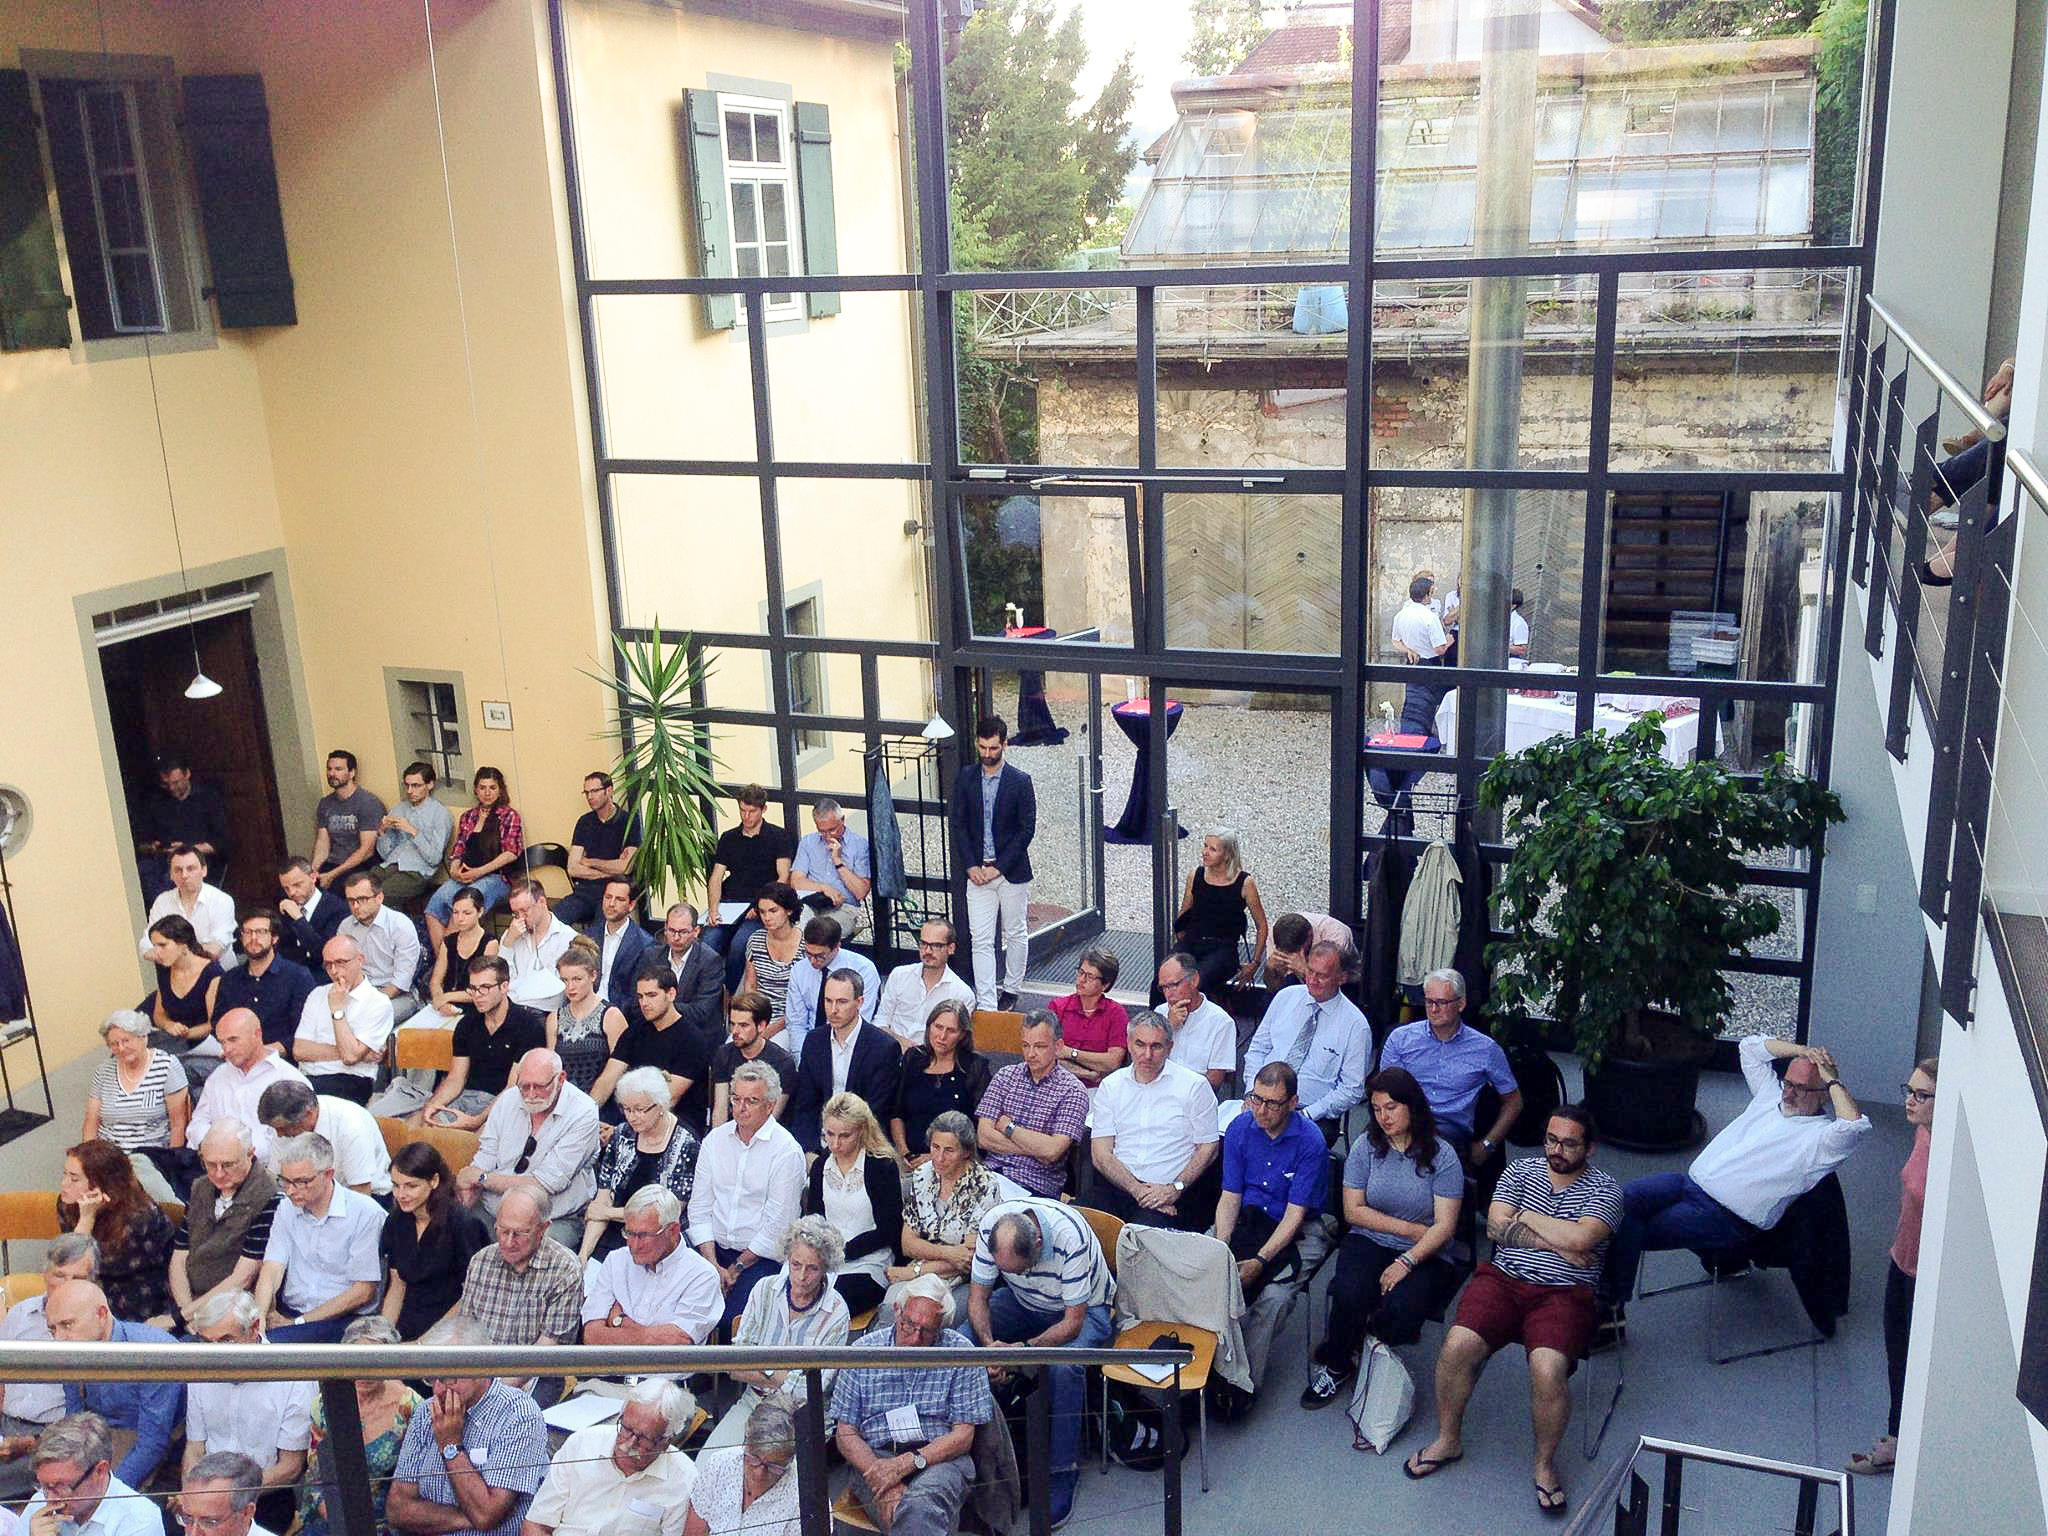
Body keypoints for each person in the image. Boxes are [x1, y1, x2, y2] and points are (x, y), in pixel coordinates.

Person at [1404, 1106, 1623, 1517]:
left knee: (1547, 1369)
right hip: (1503, 1279)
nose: (1556, 1150)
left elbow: (1584, 1238)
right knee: (1457, 1345)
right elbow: (1495, 1228)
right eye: (1551, 1139)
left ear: (1589, 1148)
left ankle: (1544, 1464)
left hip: (1565, 1292)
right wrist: (1559, 1242)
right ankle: (1448, 1439)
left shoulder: (1606, 1190)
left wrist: (1524, 1219)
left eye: (1569, 1143)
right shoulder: (1522, 1171)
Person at [1602, 1035, 1872, 1319]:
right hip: (1687, 1184)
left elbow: (1853, 1127)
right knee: (1615, 1201)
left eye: (1801, 1088)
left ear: (1824, 1094)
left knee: (1623, 1226)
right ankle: (1598, 1295)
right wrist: (1804, 1051)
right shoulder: (1770, 1096)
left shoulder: (1821, 1140)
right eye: (1788, 1083)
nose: (1789, 1093)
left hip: (1725, 1218)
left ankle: (1608, 1309)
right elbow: (1750, 1049)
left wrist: (1832, 1078)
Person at [1302, 1066, 1464, 1408]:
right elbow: (1354, 1212)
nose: (1383, 1117)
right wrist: (1409, 1228)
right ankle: (1337, 1364)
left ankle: (1356, 1343)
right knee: (1349, 1293)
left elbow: (1445, 1228)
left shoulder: (1443, 1155)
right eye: (1376, 1109)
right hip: (1371, 1238)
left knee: (1403, 1311)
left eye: (1391, 1107)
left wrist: (1406, 1260)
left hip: (1425, 1252)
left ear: (1412, 1106)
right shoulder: (1366, 1146)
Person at [966, 1201, 1113, 1528]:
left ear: (1037, 1244)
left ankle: (1063, 1471)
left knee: (1063, 1367)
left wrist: (1018, 1352)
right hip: (1023, 1304)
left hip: (1084, 1311)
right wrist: (990, 1348)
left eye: (1018, 1269)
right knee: (962, 1342)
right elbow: (979, 1297)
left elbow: (1073, 1323)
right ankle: (966, 1450)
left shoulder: (1069, 1237)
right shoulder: (993, 1223)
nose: (1014, 1274)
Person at [834, 1275, 996, 1536]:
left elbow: (963, 1437)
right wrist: (884, 1476)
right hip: (876, 1457)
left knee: (918, 1507)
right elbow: (845, 1433)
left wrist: (907, 1464)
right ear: (898, 1311)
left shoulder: (961, 1353)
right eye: (909, 1325)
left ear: (941, 1328)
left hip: (940, 1458)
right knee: (904, 1509)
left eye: (927, 1331)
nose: (915, 1338)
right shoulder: (862, 1351)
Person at [1852, 1056, 1938, 1477]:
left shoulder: (1944, 1149)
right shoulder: (1922, 1133)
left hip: (1924, 1273)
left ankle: (1903, 1443)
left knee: (1911, 1358)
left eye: (1922, 1095)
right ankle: (1897, 1434)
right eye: (1909, 1090)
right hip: (1900, 1259)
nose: (1910, 1101)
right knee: (1896, 1355)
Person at [385, 1316, 549, 1536]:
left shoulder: (518, 1414)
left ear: (482, 1366)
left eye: (449, 1378)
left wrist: (451, 1446)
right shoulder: (426, 1411)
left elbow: (486, 1514)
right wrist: (464, 1517)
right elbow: (398, 1509)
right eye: (432, 1378)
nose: (439, 1390)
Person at [712, 1215, 850, 1448]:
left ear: (826, 1268)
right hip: (752, 1402)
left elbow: (810, 1391)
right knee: (708, 1465)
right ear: (787, 1258)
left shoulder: (837, 1312)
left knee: (773, 1476)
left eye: (813, 1268)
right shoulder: (764, 1288)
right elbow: (735, 1367)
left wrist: (761, 1366)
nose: (802, 1276)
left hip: (802, 1417)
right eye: (796, 1264)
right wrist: (785, 1374)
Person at [183, 1291, 314, 1533]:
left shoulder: (294, 1376)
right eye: (207, 1343)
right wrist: (191, 1495)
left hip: (264, 1497)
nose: (216, 1355)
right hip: (204, 1497)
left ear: (254, 1328)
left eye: (226, 1341)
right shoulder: (201, 1367)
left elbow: (291, 1467)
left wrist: (225, 1495)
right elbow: (194, 1448)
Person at [689, 1060, 806, 1324]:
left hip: (760, 1259)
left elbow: (778, 1225)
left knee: (735, 1320)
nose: (741, 1108)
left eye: (751, 1101)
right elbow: (699, 1208)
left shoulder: (786, 1151)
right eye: (736, 1099)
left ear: (770, 1105)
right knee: (687, 1311)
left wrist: (737, 1267)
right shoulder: (714, 1141)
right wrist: (711, 1262)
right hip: (711, 1250)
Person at [1087, 1013, 1223, 1231]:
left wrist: (1174, 1189)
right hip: (1118, 1186)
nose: (1147, 1055)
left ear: (1170, 1047)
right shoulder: (1111, 1086)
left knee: (1142, 1242)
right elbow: (1101, 1154)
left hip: (1171, 1194)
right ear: (1129, 1043)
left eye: (1156, 1046)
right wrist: (1137, 1190)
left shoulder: (1195, 1086)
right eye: (1140, 1044)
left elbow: (1209, 1149)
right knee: (1075, 1224)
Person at [378, 955, 547, 1127]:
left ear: (504, 987)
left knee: (479, 1139)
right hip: (465, 1096)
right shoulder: (467, 1024)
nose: (478, 995)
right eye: (473, 988)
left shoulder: (528, 1027)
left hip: (505, 1105)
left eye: (485, 988)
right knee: (420, 1124)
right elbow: (456, 1078)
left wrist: (477, 1121)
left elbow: (513, 1088)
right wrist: (433, 1107)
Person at [1377, 967, 1523, 1163]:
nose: (1434, 1009)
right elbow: (1385, 1094)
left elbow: (1513, 1101)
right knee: (1367, 1148)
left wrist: (1487, 1145)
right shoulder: (1401, 1039)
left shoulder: (1485, 1049)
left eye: (1442, 1002)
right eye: (1429, 1002)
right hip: (1404, 1121)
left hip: (1449, 1130)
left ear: (1461, 1004)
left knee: (1425, 1157)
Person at [44, 1283, 181, 1488]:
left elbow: (152, 1444)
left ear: (101, 1314)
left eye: (67, 1325)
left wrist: (107, 1492)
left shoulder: (153, 1350)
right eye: (53, 1329)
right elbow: (74, 1421)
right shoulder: (70, 1351)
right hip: (100, 1444)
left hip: (158, 1450)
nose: (58, 1338)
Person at [459, 1049, 602, 1244]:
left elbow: (544, 1185)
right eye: (525, 1087)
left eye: (539, 1086)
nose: (531, 1094)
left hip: (550, 1218)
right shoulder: (508, 1099)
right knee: (453, 1230)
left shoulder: (583, 1112)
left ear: (561, 1079)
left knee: (534, 1257)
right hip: (494, 1209)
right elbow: (486, 1154)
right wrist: (470, 1188)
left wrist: (481, 1178)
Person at [1213, 1061, 1328, 1304]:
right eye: (1257, 1099)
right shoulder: (1239, 1128)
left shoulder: (1311, 1141)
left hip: (1298, 1224)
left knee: (1274, 1298)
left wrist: (1260, 1260)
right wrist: (1222, 1246)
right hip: (1249, 1213)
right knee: (1206, 1271)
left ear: (1293, 1103)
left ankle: (1247, 1343)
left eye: (1272, 1103)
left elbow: (1294, 1215)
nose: (1261, 1111)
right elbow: (1230, 1196)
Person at [295, 1316, 421, 1536]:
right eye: (356, 1361)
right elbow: (317, 1475)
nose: (364, 1372)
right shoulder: (325, 1403)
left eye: (374, 1363)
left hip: (385, 1522)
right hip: (330, 1516)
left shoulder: (411, 1407)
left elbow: (414, 1485)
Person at [254, 1132, 384, 1341]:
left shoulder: (365, 1213)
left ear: (328, 1174)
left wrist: (300, 1322)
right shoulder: (286, 1208)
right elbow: (271, 1270)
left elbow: (363, 1291)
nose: (290, 1190)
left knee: (273, 1349)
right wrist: (258, 1321)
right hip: (290, 1312)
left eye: (301, 1182)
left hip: (340, 1319)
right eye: (285, 1181)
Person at [524, 1379, 695, 1536]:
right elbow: (537, 1524)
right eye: (626, 1429)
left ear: (666, 1442)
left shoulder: (683, 1478)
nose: (628, 1444)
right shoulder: (582, 1444)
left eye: (644, 1438)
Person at [0, 1239, 98, 1502]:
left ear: (93, 1283)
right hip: (6, 1427)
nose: (67, 1285)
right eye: (59, 1275)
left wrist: (33, 1442)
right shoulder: (19, 1313)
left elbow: (89, 1420)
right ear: (44, 1275)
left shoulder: (94, 1327)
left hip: (55, 1438)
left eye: (78, 1278)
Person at [1243, 941, 1371, 1139]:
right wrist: (1252, 1092)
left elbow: (1351, 1089)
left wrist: (1308, 1113)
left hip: (1310, 1111)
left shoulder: (1355, 1025)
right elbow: (1257, 1049)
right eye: (1310, 971)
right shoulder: (1285, 997)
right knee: (1230, 1137)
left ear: (1341, 978)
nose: (1312, 980)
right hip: (1262, 1098)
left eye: (1322, 975)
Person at [949, 716, 1036, 1010]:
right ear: (977, 743)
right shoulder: (965, 777)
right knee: (981, 938)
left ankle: (1011, 989)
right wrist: (972, 866)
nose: (987, 754)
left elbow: (1027, 830)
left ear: (1005, 745)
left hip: (1010, 872)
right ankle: (987, 1002)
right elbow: (958, 823)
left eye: (994, 748)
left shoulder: (1021, 781)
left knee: (1015, 932)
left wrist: (997, 867)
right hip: (977, 872)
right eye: (983, 747)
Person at [161, 1120, 278, 1333]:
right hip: (188, 1304)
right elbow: (179, 1257)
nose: (218, 1173)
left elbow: (243, 1277)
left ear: (250, 1154)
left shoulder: (269, 1195)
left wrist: (181, 1318)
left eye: (228, 1165)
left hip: (232, 1310)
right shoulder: (200, 1187)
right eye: (210, 1164)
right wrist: (186, 1314)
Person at [458, 1188, 584, 1374]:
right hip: (481, 1373)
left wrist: (495, 1394)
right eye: (503, 1231)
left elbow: (547, 1348)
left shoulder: (565, 1270)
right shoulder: (481, 1261)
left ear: (543, 1228)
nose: (508, 1242)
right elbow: (465, 1330)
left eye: (520, 1233)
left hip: (538, 1373)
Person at [582, 1067, 700, 1263]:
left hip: (658, 1240)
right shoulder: (621, 1135)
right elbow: (601, 1203)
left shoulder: (686, 1144)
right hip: (614, 1234)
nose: (632, 1116)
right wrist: (584, 1255)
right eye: (626, 1109)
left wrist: (607, 1213)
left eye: (640, 1109)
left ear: (661, 1105)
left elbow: (669, 1211)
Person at [888, 1111, 999, 1316]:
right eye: (935, 1147)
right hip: (927, 1268)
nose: (939, 1158)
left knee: (937, 1315)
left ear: (966, 1152)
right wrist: (949, 1253)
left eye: (949, 1150)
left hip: (962, 1280)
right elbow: (908, 1244)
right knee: (891, 1307)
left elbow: (966, 1260)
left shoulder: (984, 1185)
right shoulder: (922, 1174)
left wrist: (913, 1271)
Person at [580, 1185, 723, 1345]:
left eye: (643, 1235)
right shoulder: (616, 1261)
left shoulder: (702, 1275)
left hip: (666, 1371)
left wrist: (621, 1322)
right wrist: (650, 1335)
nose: (633, 1245)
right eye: (629, 1233)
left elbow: (676, 1342)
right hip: (609, 1369)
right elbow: (592, 1336)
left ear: (673, 1231)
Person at [803, 1093, 904, 1315]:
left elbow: (889, 1230)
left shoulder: (881, 1166)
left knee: (830, 1302)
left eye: (844, 1136)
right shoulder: (821, 1166)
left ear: (861, 1131)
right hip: (825, 1259)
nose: (835, 1143)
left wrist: (842, 1252)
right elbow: (815, 1218)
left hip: (868, 1262)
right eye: (830, 1134)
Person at [381, 1141, 490, 1341]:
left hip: (451, 1327)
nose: (401, 1194)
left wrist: (422, 1344)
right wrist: (383, 1336)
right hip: (407, 1321)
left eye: (411, 1186)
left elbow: (469, 1297)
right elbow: (397, 1285)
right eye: (396, 1186)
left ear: (434, 1181)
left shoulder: (463, 1224)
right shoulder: (397, 1220)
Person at [975, 1011, 1089, 1198]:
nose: (1030, 1054)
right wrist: (1035, 1148)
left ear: (1058, 1046)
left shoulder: (1073, 1090)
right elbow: (984, 1137)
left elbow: (1052, 1151)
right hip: (990, 1176)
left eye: (1040, 1046)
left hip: (1036, 1186)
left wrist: (1009, 1128)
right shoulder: (1005, 1076)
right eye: (1026, 1045)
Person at [57, 1143, 174, 1323]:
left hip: (139, 1301)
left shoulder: (140, 1217)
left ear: (101, 1184)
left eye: (74, 1179)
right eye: (65, 1174)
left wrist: (87, 1219)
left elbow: (79, 1268)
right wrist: (86, 1217)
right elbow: (67, 1268)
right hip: (93, 1291)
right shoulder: (68, 1204)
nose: (64, 1184)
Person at [81, 1010, 189, 1202]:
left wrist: (172, 1163)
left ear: (143, 1038)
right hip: (110, 1155)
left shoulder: (166, 1066)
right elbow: (91, 1121)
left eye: (126, 1041)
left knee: (133, 1182)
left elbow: (178, 1123)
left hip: (148, 1154)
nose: (121, 1048)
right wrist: (87, 1160)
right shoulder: (103, 1071)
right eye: (114, 1044)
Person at [590, 966, 711, 1134]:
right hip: (631, 1116)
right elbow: (607, 1080)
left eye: (652, 995)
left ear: (671, 994)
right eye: (640, 996)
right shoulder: (635, 1030)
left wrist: (620, 1132)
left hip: (676, 1125)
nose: (644, 1003)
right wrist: (586, 1117)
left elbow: (668, 1098)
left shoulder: (692, 1040)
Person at [791, 970, 902, 1152]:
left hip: (862, 1144)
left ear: (859, 1002)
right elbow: (805, 1104)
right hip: (820, 1141)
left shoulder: (883, 1047)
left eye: (842, 1002)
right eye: (828, 1001)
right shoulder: (814, 1041)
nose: (833, 1010)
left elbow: (875, 1112)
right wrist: (809, 1151)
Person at [702, 785, 796, 991]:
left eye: (752, 811)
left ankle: (728, 992)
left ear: (763, 809)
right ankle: (707, 991)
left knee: (739, 945)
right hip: (730, 904)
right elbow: (716, 877)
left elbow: (782, 877)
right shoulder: (729, 838)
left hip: (759, 907)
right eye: (742, 810)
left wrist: (760, 907)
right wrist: (713, 908)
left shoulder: (778, 836)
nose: (746, 816)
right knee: (707, 942)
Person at [423, 767, 524, 950]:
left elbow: (511, 853)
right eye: (482, 787)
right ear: (476, 790)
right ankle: (444, 962)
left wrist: (479, 872)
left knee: (463, 906)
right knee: (434, 905)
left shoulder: (509, 816)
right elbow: (460, 846)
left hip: (497, 878)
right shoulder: (468, 816)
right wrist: (454, 866)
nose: (487, 793)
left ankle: (448, 962)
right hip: (466, 873)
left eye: (492, 788)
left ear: (500, 789)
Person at [188, 1010, 309, 1160]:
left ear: (257, 1034)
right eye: (222, 1042)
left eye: (233, 1040)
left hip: (267, 1172)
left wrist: (239, 1154)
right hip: (214, 1165)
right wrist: (213, 1147)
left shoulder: (289, 1079)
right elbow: (198, 1123)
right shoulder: (218, 1076)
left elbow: (299, 1142)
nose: (227, 1049)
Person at [292, 934, 396, 1107]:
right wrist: (358, 1054)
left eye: (341, 962)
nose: (334, 971)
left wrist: (337, 1010)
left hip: (350, 1080)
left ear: (360, 960)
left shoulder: (378, 1002)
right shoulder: (317, 994)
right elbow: (299, 1050)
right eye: (328, 964)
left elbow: (349, 1057)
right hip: (307, 1078)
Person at [20, 1413, 163, 1536]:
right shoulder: (38, 1503)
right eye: (44, 1486)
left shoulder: (141, 1519)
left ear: (100, 1471)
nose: (50, 1499)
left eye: (61, 1486)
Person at [255, 1077, 394, 1197]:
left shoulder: (351, 1125)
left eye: (283, 1128)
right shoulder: (285, 1127)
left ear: (308, 1114)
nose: (279, 1134)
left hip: (363, 1196)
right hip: (308, 1197)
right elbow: (275, 1180)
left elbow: (361, 1191)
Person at [889, 1001, 992, 1161]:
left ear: (963, 1034)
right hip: (908, 1157)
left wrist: (933, 1157)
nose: (942, 1036)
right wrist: (905, 1153)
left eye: (951, 1031)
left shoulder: (975, 1067)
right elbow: (896, 1112)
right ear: (929, 1026)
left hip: (954, 1161)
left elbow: (980, 1128)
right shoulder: (914, 1057)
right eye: (938, 1027)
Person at [1170, 829, 1270, 994]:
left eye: (1212, 849)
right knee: (1162, 981)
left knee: (1194, 985)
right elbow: (1185, 912)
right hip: (1192, 942)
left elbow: (1262, 926)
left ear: (1227, 854)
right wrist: (1180, 938)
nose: (1205, 852)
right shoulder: (1196, 875)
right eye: (1205, 846)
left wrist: (1254, 963)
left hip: (1223, 948)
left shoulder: (1245, 882)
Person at [684, 1398, 801, 1536]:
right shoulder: (720, 1463)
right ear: (746, 1441)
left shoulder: (804, 1498)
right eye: (754, 1458)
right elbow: (695, 1529)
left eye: (773, 1466)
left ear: (790, 1459)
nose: (759, 1473)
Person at [212, 910, 317, 1055]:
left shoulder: (298, 976)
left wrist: (263, 1052)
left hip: (282, 1061)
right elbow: (218, 1023)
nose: (253, 938)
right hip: (236, 1059)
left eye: (261, 932)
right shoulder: (229, 979)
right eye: (247, 932)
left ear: (274, 938)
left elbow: (305, 1030)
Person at [779, 914, 881, 1062]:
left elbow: (859, 1020)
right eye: (809, 954)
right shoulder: (800, 970)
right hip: (810, 1040)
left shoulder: (863, 969)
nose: (813, 961)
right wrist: (803, 1057)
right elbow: (796, 1023)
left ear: (837, 947)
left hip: (848, 1042)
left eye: (820, 956)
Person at [134, 752, 230, 901]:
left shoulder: (207, 799)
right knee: (143, 870)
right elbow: (143, 842)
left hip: (199, 860)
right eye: (167, 784)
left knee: (172, 878)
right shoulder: (158, 803)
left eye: (176, 782)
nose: (172, 788)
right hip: (164, 859)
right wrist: (154, 847)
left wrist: (186, 849)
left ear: (187, 774)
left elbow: (220, 843)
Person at [555, 771, 643, 928]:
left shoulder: (629, 821)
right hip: (584, 892)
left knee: (600, 933)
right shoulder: (584, 822)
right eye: (586, 792)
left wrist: (589, 861)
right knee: (553, 922)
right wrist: (611, 869)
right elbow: (573, 868)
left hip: (612, 893)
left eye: (594, 791)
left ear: (609, 791)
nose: (589, 797)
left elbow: (625, 867)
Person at [339, 869, 424, 1023]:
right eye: (351, 901)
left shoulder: (400, 925)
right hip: (359, 992)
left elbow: (401, 982)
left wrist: (369, 1002)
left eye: (362, 899)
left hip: (398, 995)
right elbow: (342, 968)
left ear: (379, 897)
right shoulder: (345, 927)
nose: (355, 906)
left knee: (369, 1019)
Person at [874, 921, 975, 1049]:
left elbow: (955, 1041)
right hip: (892, 1052)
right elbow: (881, 1021)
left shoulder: (962, 993)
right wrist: (899, 1042)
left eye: (936, 945)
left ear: (951, 948)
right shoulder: (899, 975)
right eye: (923, 944)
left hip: (931, 1060)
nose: (927, 951)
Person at [145, 914, 223, 1075]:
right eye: (154, 946)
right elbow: (159, 1014)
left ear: (183, 944)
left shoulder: (212, 973)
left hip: (204, 1047)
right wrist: (169, 1025)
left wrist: (185, 1034)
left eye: (162, 945)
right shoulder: (165, 971)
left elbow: (214, 1023)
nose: (157, 952)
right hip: (175, 1043)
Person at [550, 939, 628, 1095]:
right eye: (565, 980)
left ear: (593, 976)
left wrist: (590, 1106)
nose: (570, 987)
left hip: (604, 1101)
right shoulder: (554, 1018)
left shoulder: (611, 1016)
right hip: (563, 1100)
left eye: (577, 979)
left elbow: (618, 1068)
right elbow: (551, 1067)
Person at [374, 761, 455, 910]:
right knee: (359, 886)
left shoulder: (440, 814)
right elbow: (386, 854)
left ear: (430, 785)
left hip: (417, 871)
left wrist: (413, 831)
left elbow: (434, 859)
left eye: (416, 786)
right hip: (390, 864)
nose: (410, 791)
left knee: (379, 896)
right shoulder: (399, 808)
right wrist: (382, 832)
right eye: (407, 785)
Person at [710, 992, 798, 1130]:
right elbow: (720, 1109)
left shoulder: (783, 1062)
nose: (735, 1031)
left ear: (761, 1026)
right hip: (731, 1130)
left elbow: (773, 1117)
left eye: (743, 1025)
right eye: (733, 1024)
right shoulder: (724, 1054)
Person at [1043, 949, 1128, 1091]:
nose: (1081, 980)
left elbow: (1113, 1062)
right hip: (1056, 1087)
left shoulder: (1116, 1013)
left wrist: (1070, 1053)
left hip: (1099, 1090)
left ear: (1105, 985)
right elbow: (1047, 1055)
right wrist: (1087, 1073)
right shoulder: (1058, 1007)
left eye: (1089, 976)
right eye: (1080, 972)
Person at [789, 798, 874, 939]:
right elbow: (796, 882)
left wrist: (838, 861)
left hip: (844, 907)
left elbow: (861, 892)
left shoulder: (859, 845)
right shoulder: (808, 842)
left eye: (832, 830)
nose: (828, 836)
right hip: (811, 902)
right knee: (796, 930)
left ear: (842, 820)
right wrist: (823, 888)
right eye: (822, 831)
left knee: (821, 935)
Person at [138, 845, 236, 961]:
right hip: (179, 975)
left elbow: (215, 949)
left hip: (220, 973)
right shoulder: (162, 902)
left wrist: (171, 953)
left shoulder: (222, 900)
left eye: (190, 869)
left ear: (204, 871)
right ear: (171, 875)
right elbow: (146, 945)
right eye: (178, 870)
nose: (184, 875)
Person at [1153, 954, 1236, 1089]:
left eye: (1174, 985)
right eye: (1164, 987)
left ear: (1194, 980)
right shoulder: (1160, 1012)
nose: (1168, 994)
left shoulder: (1221, 1022)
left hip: (1195, 1097)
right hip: (1156, 1090)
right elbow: (1146, 1061)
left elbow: (1214, 1081)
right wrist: (1168, 1029)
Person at [311, 749, 386, 889]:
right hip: (333, 862)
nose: (332, 773)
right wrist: (312, 872)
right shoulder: (325, 803)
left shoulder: (368, 803)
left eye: (338, 769)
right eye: (329, 769)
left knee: (336, 893)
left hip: (359, 865)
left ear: (352, 773)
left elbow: (367, 851)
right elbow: (322, 843)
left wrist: (332, 875)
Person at [583, 881, 656, 1022]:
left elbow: (637, 995)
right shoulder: (588, 937)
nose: (611, 904)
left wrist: (609, 1013)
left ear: (631, 905)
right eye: (608, 897)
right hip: (585, 1007)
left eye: (619, 899)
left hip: (620, 1015)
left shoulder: (645, 945)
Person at [498, 880, 575, 1014]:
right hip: (512, 1008)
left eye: (525, 910)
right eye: (515, 913)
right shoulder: (511, 934)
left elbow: (559, 989)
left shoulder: (568, 937)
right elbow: (501, 976)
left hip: (547, 1011)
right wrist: (508, 942)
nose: (520, 918)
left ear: (542, 902)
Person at [426, 887, 500, 1019]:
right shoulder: (449, 942)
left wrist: (446, 997)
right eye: (455, 912)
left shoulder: (489, 943)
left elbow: (483, 989)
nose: (460, 918)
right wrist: (441, 1001)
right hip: (445, 1006)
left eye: (467, 913)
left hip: (475, 1008)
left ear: (480, 912)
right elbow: (436, 980)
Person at [647, 900, 720, 1029]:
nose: (675, 938)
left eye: (683, 932)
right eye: (671, 930)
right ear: (665, 928)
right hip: (656, 1029)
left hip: (695, 1032)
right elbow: (637, 998)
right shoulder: (651, 956)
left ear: (696, 931)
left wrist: (662, 1005)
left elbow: (702, 1011)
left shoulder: (710, 961)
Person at [739, 883, 804, 1027]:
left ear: (789, 910)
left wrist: (771, 1030)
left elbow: (805, 998)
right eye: (762, 912)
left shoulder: (806, 944)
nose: (767, 917)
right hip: (760, 1016)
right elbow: (750, 986)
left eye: (773, 911)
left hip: (793, 1019)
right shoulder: (755, 940)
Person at [275, 857, 346, 972]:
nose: (291, 893)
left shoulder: (337, 908)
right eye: (286, 888)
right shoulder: (286, 906)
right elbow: (283, 950)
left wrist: (299, 919)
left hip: (325, 977)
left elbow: (324, 954)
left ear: (313, 877)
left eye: (297, 885)